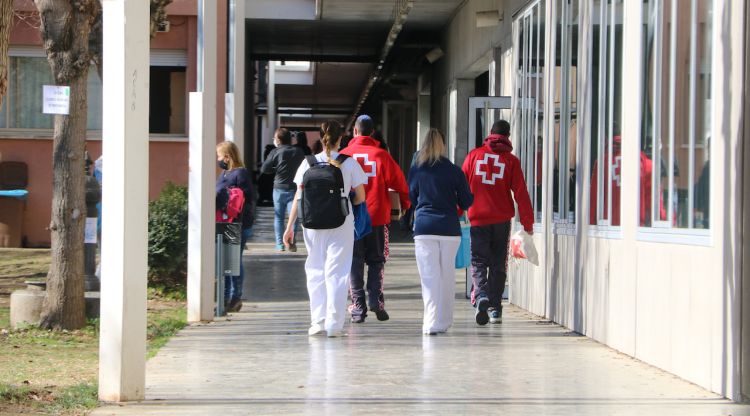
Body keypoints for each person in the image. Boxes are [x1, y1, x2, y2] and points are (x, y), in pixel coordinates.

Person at [283, 121, 367, 338]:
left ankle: (317, 321)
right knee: (337, 272)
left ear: (321, 138)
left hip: (311, 224)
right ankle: (334, 324)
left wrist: (289, 226)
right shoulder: (348, 163)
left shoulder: (308, 163)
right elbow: (360, 197)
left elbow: (298, 197)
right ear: (342, 138)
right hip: (341, 223)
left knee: (315, 270)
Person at [340, 114, 410, 323]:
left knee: (354, 262)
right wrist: (405, 205)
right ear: (372, 133)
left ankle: (357, 306)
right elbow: (400, 184)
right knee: (377, 260)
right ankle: (376, 301)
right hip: (378, 216)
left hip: (350, 218)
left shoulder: (343, 155)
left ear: (355, 132)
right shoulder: (382, 156)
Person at [462, 120, 533, 326]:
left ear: (490, 134)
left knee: (478, 261)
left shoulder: (474, 156)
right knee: (498, 264)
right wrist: (527, 223)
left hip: (478, 219)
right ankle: (494, 307)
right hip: (501, 221)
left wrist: (456, 212)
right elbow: (521, 193)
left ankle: (481, 294)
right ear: (508, 136)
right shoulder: (511, 161)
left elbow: (462, 187)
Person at [408, 129, 473, 335]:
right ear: (443, 145)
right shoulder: (454, 170)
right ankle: (444, 321)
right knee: (446, 276)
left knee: (429, 277)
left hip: (425, 228)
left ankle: (430, 322)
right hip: (449, 229)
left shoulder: (417, 170)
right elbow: (466, 201)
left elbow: (412, 197)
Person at [216, 141, 255, 312]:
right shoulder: (225, 173)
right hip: (226, 223)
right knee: (227, 261)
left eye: (219, 155)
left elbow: (249, 198)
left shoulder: (240, 174)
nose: (218, 159)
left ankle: (234, 297)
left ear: (227, 156)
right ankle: (227, 297)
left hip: (236, 223)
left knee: (232, 261)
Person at [261, 128, 305, 251]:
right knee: (294, 217)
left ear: (278, 139)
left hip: (278, 188)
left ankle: (280, 244)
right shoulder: (299, 151)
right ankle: (290, 242)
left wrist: (276, 168)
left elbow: (264, 169)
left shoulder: (275, 152)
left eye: (274, 138)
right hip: (294, 189)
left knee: (279, 217)